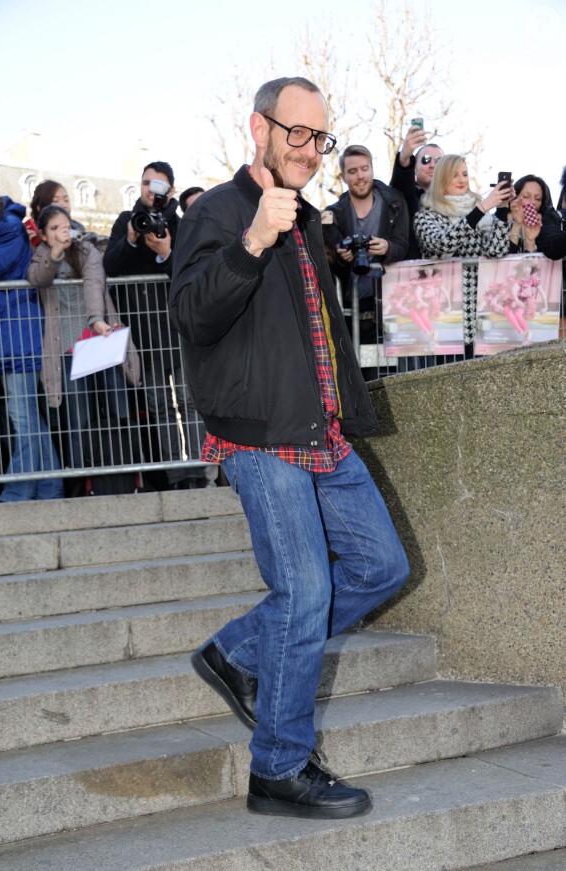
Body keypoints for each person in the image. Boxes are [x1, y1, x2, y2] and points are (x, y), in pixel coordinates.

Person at [170, 76, 409, 819]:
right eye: (295, 132)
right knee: (304, 593)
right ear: (260, 128)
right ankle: (278, 767)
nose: (308, 149)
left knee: (381, 565)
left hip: (318, 429)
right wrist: (251, 241)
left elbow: (315, 331)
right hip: (258, 434)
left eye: (319, 137)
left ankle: (239, 652)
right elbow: (191, 314)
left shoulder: (307, 217)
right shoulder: (218, 210)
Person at [104, 161, 210, 489]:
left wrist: (166, 253)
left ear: (172, 190)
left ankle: (198, 471)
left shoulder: (183, 224)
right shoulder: (128, 221)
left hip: (179, 330)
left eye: (159, 185)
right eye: (147, 183)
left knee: (190, 402)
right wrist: (133, 238)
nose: (152, 190)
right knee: (160, 406)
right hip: (144, 334)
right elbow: (110, 266)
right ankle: (176, 475)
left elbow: (194, 274)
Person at [27, 205, 140, 471]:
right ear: (43, 235)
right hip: (67, 348)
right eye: (53, 229)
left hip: (100, 339)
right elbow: (37, 279)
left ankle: (127, 471)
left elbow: (93, 283)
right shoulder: (41, 255)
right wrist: (55, 252)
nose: (61, 233)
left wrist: (96, 318)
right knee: (78, 418)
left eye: (64, 227)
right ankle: (83, 477)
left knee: (118, 411)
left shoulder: (86, 249)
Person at [0, 162, 63, 501]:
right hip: (7, 330)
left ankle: (17, 492)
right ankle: (50, 487)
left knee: (21, 415)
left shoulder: (6, 225)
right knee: (28, 415)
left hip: (16, 328)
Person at [413, 154, 512, 345]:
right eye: (454, 175)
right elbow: (441, 245)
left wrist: (501, 209)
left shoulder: (481, 213)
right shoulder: (425, 217)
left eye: (465, 174)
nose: (461, 180)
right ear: (441, 178)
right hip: (445, 315)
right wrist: (481, 209)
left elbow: (496, 251)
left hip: (481, 314)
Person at [322, 144, 409, 344]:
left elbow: (403, 245)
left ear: (371, 169)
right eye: (352, 171)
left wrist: (388, 248)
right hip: (352, 311)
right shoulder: (332, 214)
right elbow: (332, 262)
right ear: (343, 177)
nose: (360, 176)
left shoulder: (394, 203)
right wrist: (343, 258)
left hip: (393, 306)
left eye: (364, 169)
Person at [390, 125, 444, 258]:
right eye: (426, 160)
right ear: (415, 167)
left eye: (438, 161)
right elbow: (401, 182)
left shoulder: (456, 198)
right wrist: (404, 157)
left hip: (450, 274)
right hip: (413, 273)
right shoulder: (405, 196)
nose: (432, 165)